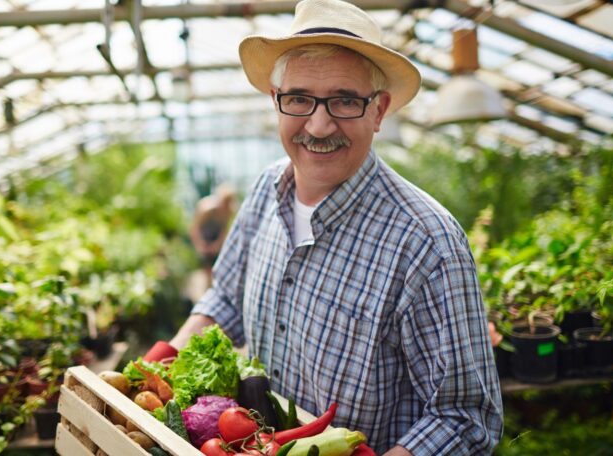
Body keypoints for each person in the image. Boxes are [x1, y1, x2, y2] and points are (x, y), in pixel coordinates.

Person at [169, 0, 504, 454]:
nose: (320, 124)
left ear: (379, 111)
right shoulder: (267, 189)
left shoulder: (426, 242)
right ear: (277, 102)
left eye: (345, 100)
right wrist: (159, 372)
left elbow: (464, 417)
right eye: (300, 98)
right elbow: (225, 297)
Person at [189, 183, 238, 284]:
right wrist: (200, 246)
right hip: (203, 239)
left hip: (216, 241)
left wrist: (217, 245)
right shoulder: (206, 209)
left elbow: (225, 231)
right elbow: (194, 229)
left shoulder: (229, 211)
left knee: (217, 271)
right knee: (207, 273)